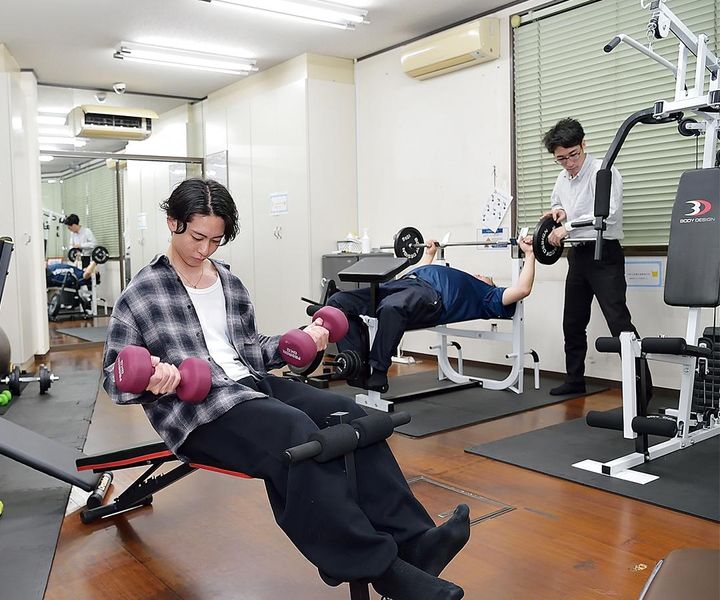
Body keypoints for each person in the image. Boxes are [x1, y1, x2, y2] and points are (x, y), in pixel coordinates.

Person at [102, 179, 470, 600]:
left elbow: (250, 349)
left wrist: (301, 340)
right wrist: (152, 376)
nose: (205, 250)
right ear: (173, 222)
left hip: (251, 386)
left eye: (216, 240)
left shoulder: (228, 282)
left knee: (352, 418)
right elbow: (114, 376)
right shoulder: (141, 292)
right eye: (197, 237)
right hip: (199, 411)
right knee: (297, 434)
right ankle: (381, 570)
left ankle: (416, 542)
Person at [328, 236, 536, 391]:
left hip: (431, 296)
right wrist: (429, 254)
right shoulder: (453, 275)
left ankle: (379, 371)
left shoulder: (488, 296)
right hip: (404, 283)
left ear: (491, 285)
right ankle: (354, 365)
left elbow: (523, 290)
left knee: (392, 308)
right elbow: (422, 272)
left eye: (485, 276)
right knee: (338, 302)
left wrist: (530, 254)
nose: (479, 274)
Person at [541, 117, 652, 397]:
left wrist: (567, 227)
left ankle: (642, 391)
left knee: (619, 323)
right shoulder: (562, 178)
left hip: (604, 254)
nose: (569, 163)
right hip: (577, 255)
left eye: (573, 155)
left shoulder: (604, 171)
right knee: (573, 322)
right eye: (561, 159)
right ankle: (575, 381)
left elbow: (607, 215)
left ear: (583, 144)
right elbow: (558, 203)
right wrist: (558, 212)